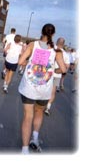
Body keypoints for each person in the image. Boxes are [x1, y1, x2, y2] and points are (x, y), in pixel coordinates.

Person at [18, 24, 67, 154]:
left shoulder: (32, 45)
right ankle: (35, 138)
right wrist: (52, 70)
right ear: (53, 34)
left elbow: (21, 61)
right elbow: (63, 69)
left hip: (29, 86)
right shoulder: (57, 51)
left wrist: (30, 63)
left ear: (42, 32)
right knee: (39, 113)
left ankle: (24, 150)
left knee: (28, 116)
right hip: (44, 89)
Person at [44, 37, 70, 116]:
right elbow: (67, 67)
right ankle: (48, 107)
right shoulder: (65, 54)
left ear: (56, 42)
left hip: (46, 73)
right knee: (53, 92)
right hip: (56, 76)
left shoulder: (50, 49)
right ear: (63, 44)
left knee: (43, 88)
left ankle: (40, 104)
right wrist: (57, 70)